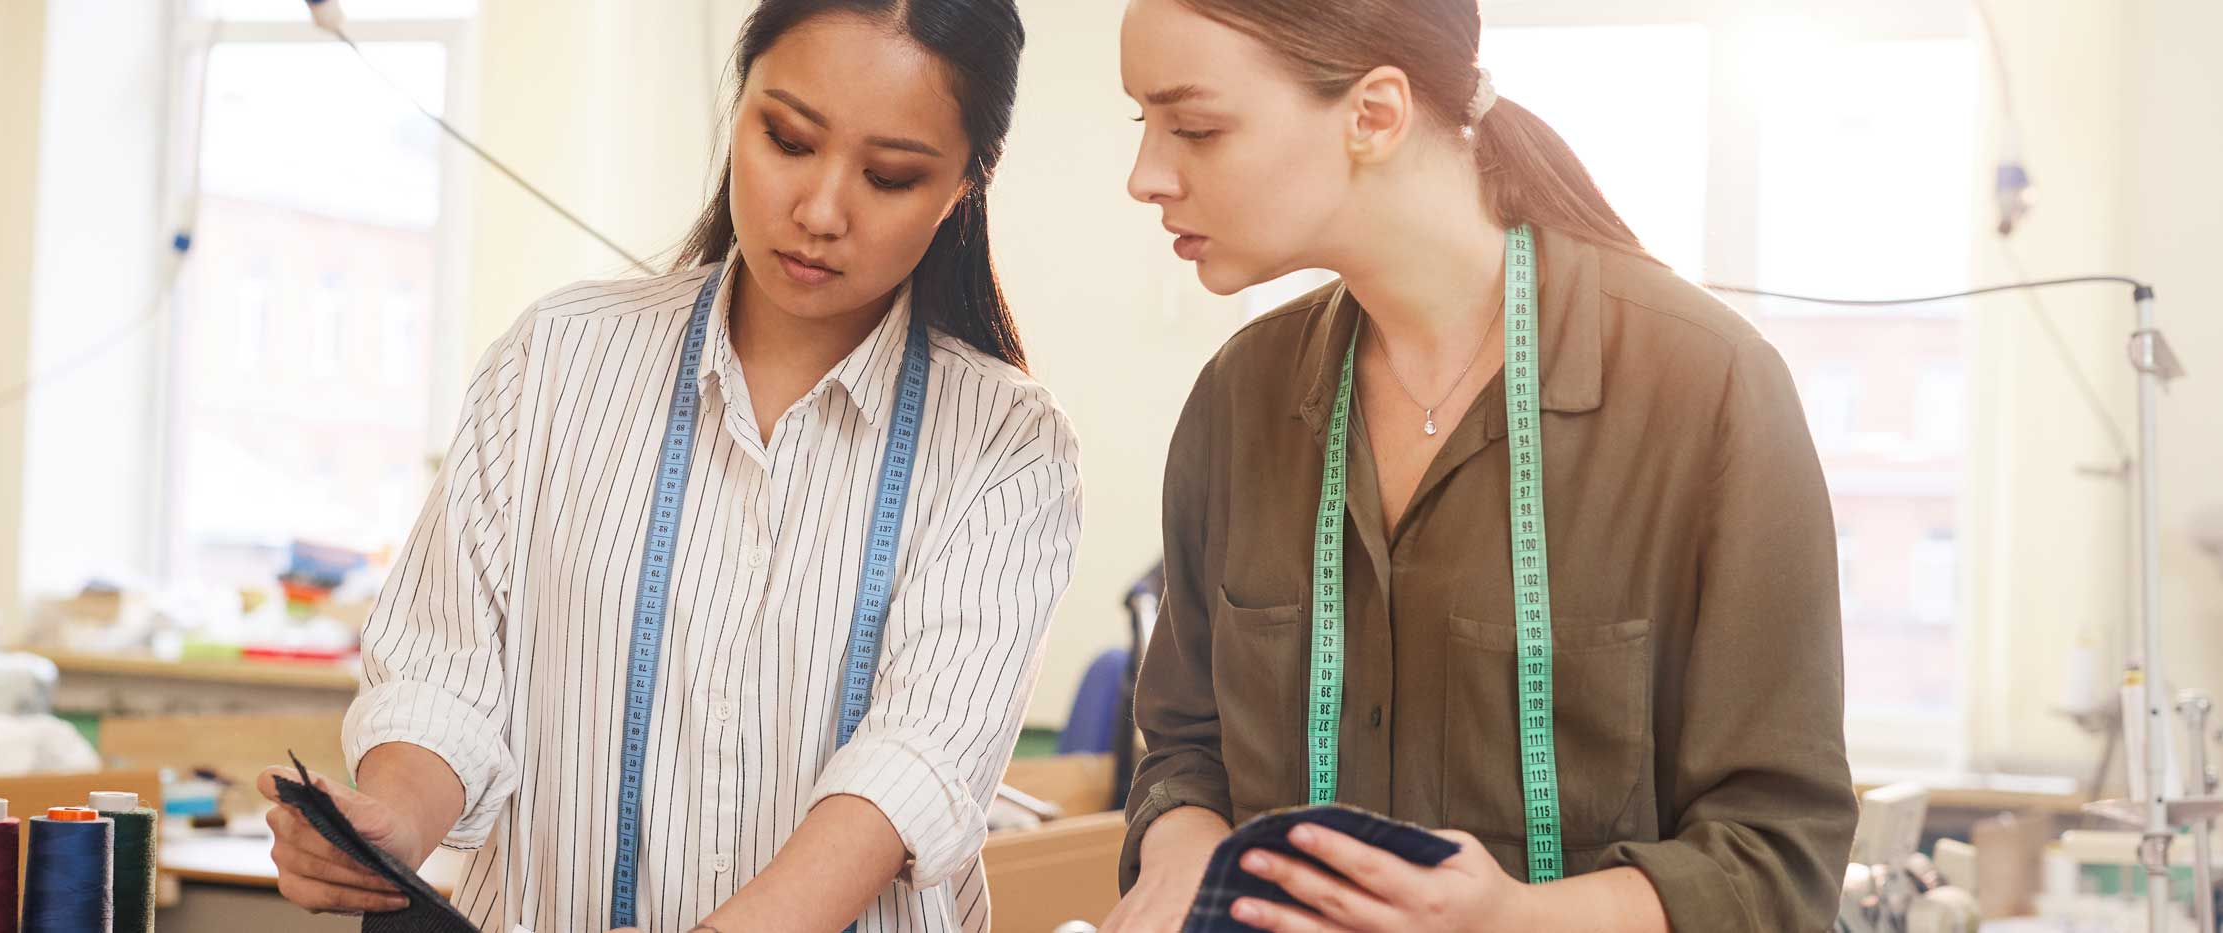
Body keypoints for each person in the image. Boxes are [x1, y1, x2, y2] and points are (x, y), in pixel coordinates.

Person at [256, 2, 1082, 931]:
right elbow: (445, 673)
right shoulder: (556, 360)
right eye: (787, 139)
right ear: (740, 109)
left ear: (965, 184)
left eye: (890, 176)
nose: (819, 210)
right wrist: (390, 823)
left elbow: (915, 763)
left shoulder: (1007, 442)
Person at [1106, 0, 1856, 929]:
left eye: (1196, 128)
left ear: (1375, 114)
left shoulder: (1708, 389)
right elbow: (1185, 746)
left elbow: (1778, 860)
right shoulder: (1239, 396)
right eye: (1146, 125)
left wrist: (1513, 919)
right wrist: (1183, 841)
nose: (1146, 177)